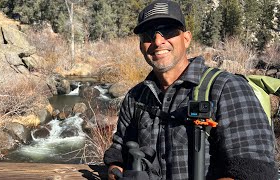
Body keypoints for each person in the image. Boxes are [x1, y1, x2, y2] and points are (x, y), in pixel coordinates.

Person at [103, 0, 278, 179]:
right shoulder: (135, 97)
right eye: (148, 35)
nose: (157, 41)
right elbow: (119, 151)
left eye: (168, 30)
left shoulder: (227, 88)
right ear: (141, 45)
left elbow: (255, 171)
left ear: (186, 38)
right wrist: (116, 169)